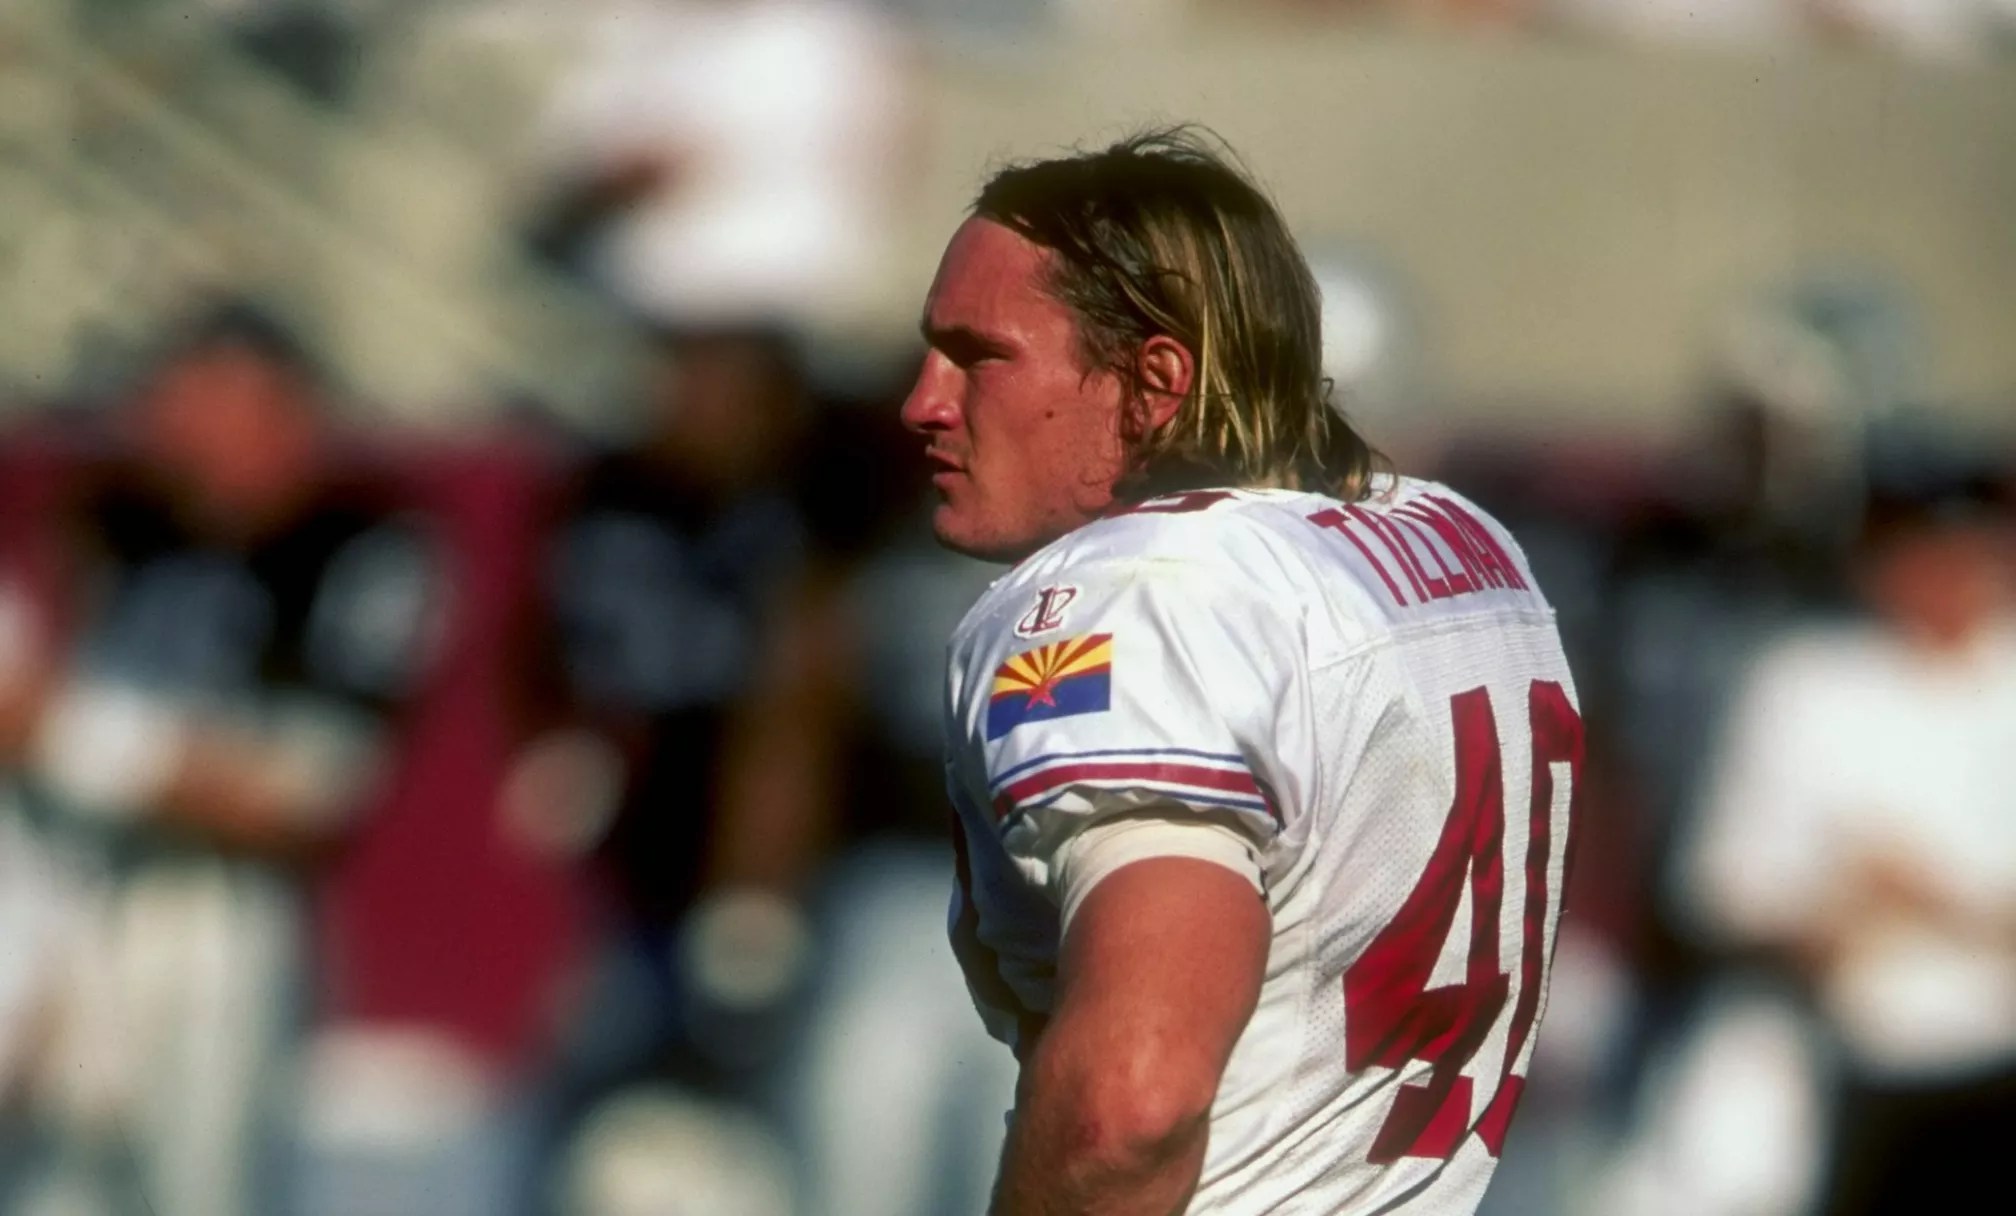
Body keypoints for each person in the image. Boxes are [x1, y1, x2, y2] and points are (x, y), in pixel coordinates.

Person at [903, 128, 1583, 1213]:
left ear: (1153, 381)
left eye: (979, 355)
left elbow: (1131, 1105)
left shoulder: (1146, 596)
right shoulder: (1455, 540)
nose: (924, 402)